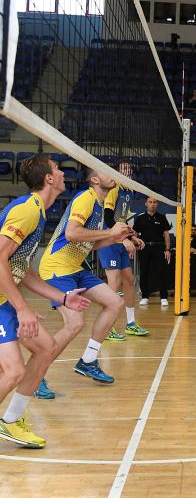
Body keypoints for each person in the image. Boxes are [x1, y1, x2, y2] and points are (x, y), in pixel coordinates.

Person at [0, 154, 91, 448]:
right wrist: (23, 309)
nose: (63, 173)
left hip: (4, 299)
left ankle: (11, 421)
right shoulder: (27, 211)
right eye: (57, 169)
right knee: (13, 370)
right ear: (49, 179)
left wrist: (62, 297)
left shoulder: (38, 212)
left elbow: (21, 269)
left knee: (47, 348)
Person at [39, 167, 134, 385]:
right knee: (75, 323)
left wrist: (116, 237)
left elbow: (90, 244)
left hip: (74, 267)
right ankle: (37, 373)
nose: (113, 175)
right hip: (57, 268)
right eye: (106, 172)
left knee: (115, 302)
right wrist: (110, 232)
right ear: (94, 179)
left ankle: (88, 360)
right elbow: (72, 234)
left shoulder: (100, 206)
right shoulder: (86, 198)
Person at [98, 161, 149, 344]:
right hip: (109, 241)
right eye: (123, 170)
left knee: (129, 280)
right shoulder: (114, 188)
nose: (127, 172)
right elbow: (108, 219)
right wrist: (124, 238)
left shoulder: (129, 191)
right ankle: (108, 327)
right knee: (114, 283)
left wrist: (131, 236)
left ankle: (131, 323)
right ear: (117, 173)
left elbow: (121, 220)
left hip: (119, 240)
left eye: (129, 170)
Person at [133, 197, 172, 307]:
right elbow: (135, 234)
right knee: (144, 272)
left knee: (161, 272)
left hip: (158, 247)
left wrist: (167, 250)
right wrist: (135, 245)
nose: (152, 204)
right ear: (146, 204)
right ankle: (145, 296)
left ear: (157, 204)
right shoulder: (140, 218)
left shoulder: (162, 217)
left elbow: (166, 234)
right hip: (144, 247)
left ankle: (163, 297)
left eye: (155, 202)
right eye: (150, 202)